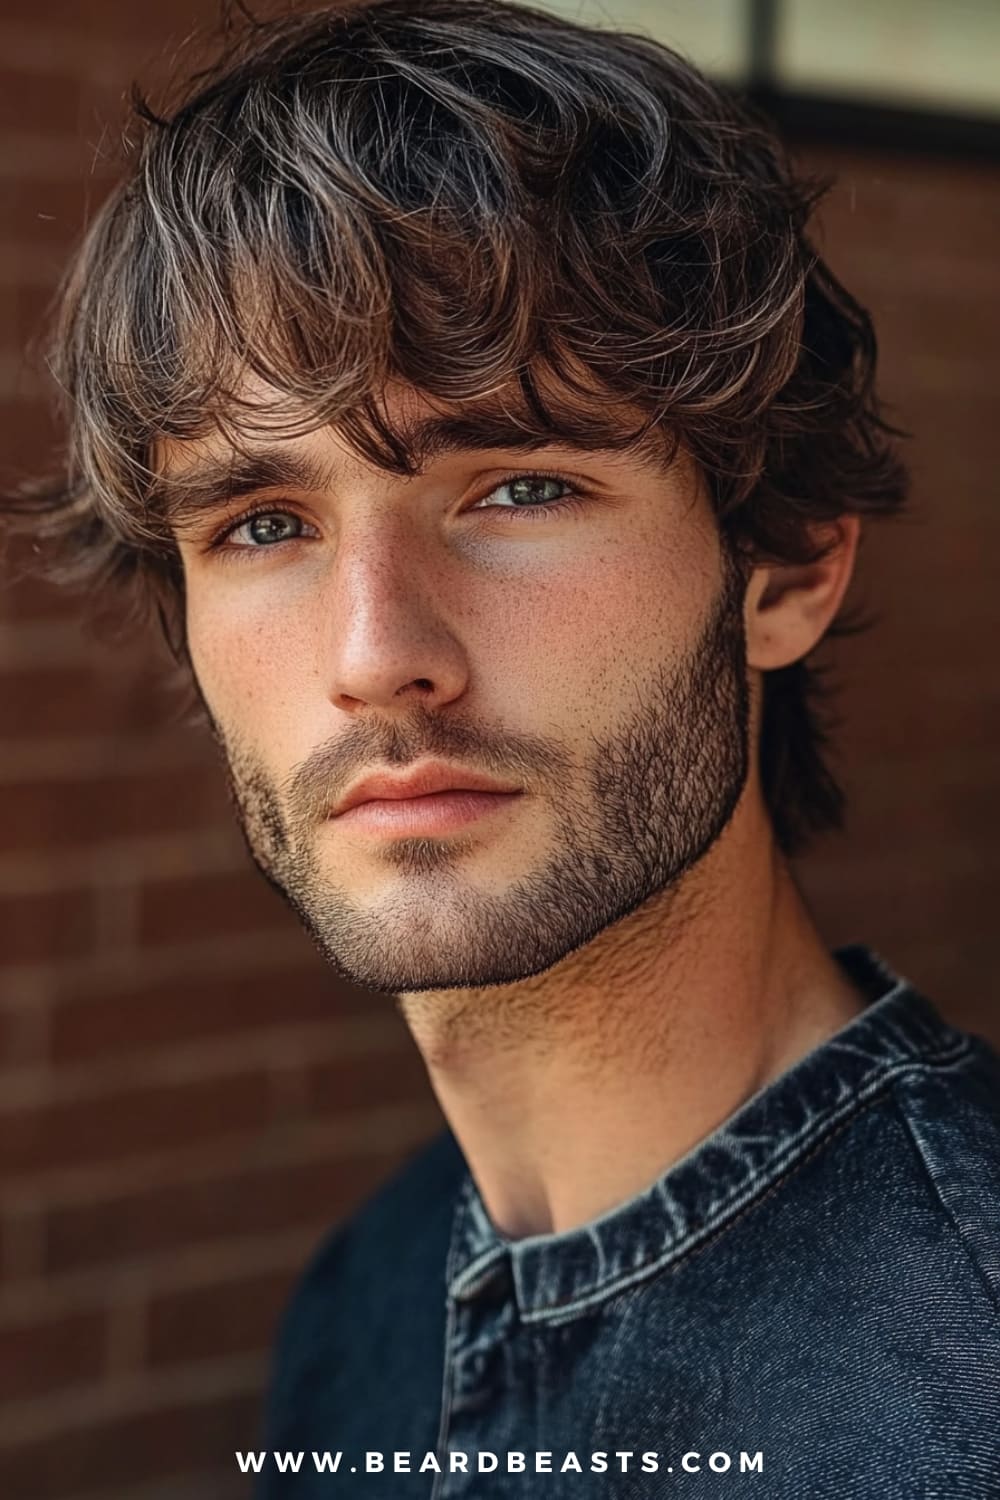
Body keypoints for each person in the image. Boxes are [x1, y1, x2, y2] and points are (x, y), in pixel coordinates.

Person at [7, 0, 999, 1494]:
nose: (373, 654)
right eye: (264, 525)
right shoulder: (356, 1307)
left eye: (519, 487)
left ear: (784, 568)